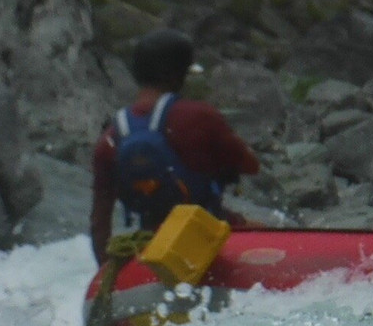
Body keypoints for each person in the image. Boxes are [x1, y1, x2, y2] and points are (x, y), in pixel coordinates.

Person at [90, 29, 260, 265]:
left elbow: (100, 221)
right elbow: (251, 166)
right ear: (175, 77)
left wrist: (107, 270)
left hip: (151, 246)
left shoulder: (110, 138)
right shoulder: (200, 116)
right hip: (210, 235)